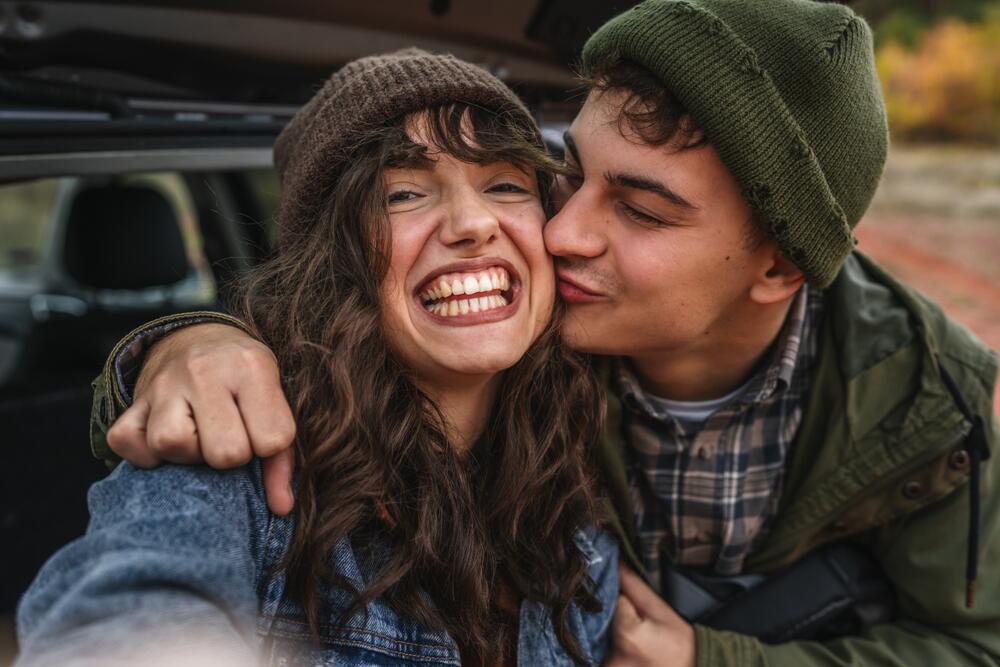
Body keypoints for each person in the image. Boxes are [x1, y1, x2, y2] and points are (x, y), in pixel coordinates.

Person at [89, 1, 1000, 665]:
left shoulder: (924, 403)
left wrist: (713, 661)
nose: (559, 233)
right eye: (570, 175)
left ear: (777, 271)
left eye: (640, 211)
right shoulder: (514, 318)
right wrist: (181, 344)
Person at [16, 49, 620, 666]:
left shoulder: (580, 504)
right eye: (403, 194)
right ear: (332, 262)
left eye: (506, 185)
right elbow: (126, 612)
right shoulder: (239, 462)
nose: (472, 223)